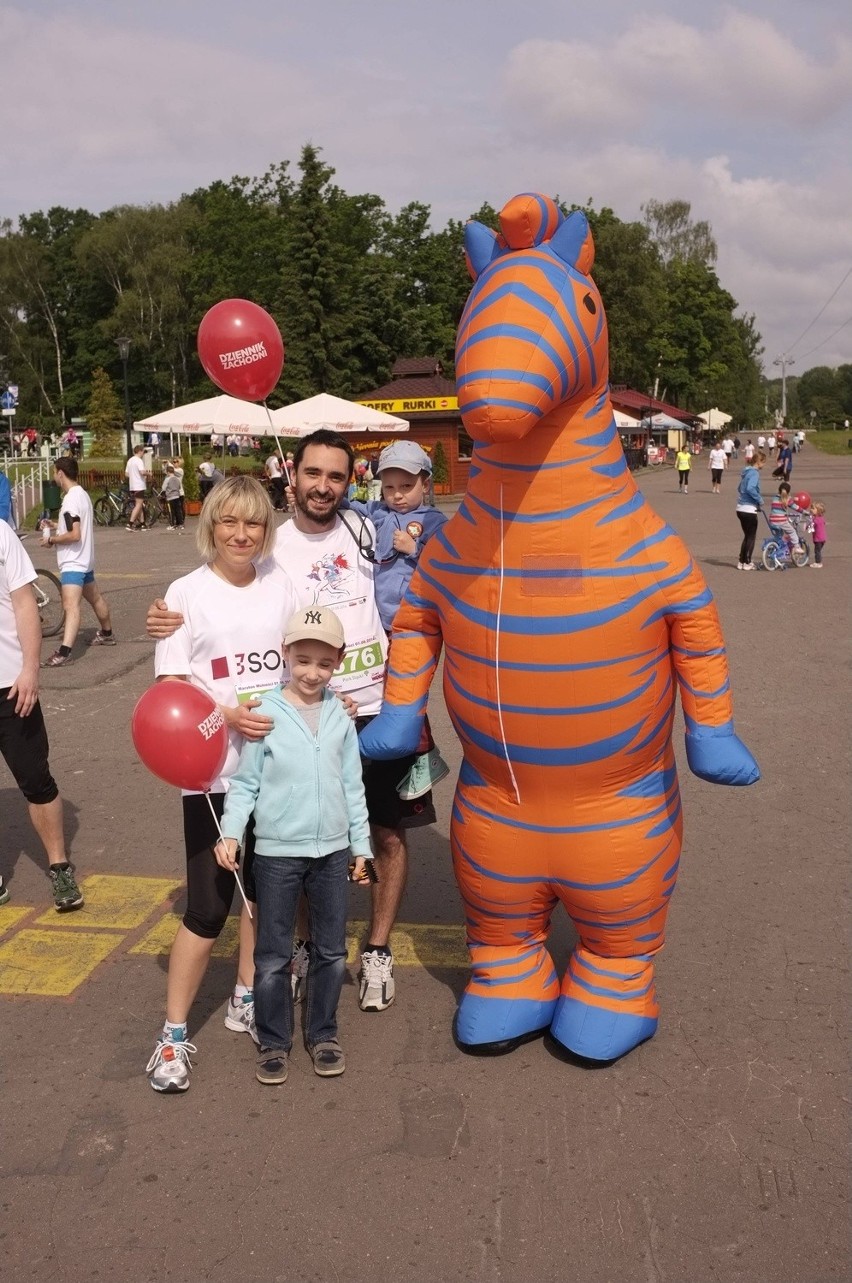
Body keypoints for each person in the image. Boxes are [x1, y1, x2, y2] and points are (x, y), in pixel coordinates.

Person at [147, 429, 436, 1015]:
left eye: (336, 476)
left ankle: (374, 950)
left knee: (383, 833)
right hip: (293, 722)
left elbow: (431, 568)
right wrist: (165, 615)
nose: (323, 486)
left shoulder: (368, 526)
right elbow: (224, 593)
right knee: (294, 849)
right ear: (292, 475)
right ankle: (293, 953)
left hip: (373, 705)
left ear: (350, 482)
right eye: (312, 474)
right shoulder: (272, 553)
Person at [145, 476, 299, 1093]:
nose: (242, 534)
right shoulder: (184, 594)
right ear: (211, 523)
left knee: (261, 895)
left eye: (254, 523)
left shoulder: (281, 584)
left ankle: (244, 997)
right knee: (208, 908)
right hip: (210, 777)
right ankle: (173, 1036)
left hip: (275, 771)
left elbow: (303, 660)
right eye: (230, 522)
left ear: (267, 530)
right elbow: (172, 687)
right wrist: (227, 714)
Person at [215, 605, 373, 1084]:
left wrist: (361, 848)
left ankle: (323, 1033)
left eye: (324, 664)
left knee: (331, 951)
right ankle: (273, 1040)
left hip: (332, 853)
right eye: (302, 659)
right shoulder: (265, 712)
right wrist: (229, 833)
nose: (312, 672)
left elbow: (353, 787)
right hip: (277, 853)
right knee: (272, 955)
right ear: (285, 654)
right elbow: (245, 785)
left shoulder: (340, 717)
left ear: (340, 661)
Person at [340, 439, 450, 800]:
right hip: (381, 624)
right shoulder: (378, 512)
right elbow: (349, 506)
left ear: (425, 483)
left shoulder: (433, 521)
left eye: (406, 486)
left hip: (414, 623)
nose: (398, 495)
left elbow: (449, 567)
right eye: (389, 487)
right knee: (393, 693)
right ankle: (416, 754)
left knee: (406, 694)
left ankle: (425, 756)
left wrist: (415, 549)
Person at [0, 521, 83, 911]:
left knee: (35, 780)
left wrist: (31, 668)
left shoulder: (0, 533)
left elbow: (23, 603)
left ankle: (59, 865)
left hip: (10, 685)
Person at [41, 456, 115, 667]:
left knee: (70, 606)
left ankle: (64, 653)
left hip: (73, 562)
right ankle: (107, 633)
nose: (54, 477)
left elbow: (74, 534)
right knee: (96, 599)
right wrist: (55, 524)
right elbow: (73, 524)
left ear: (60, 473)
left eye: (54, 472)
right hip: (85, 560)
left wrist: (51, 540)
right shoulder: (82, 495)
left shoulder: (70, 500)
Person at [735, 450, 765, 570]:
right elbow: (750, 488)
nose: (764, 465)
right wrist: (759, 499)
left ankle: (741, 561)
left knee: (747, 536)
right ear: (758, 462)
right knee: (751, 536)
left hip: (740, 508)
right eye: (763, 463)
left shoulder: (745, 472)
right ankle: (747, 562)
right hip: (749, 509)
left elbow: (739, 487)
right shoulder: (754, 473)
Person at [768, 482, 802, 561]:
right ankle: (797, 547)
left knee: (778, 536)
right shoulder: (787, 500)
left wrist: (792, 499)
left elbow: (783, 499)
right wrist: (804, 512)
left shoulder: (775, 497)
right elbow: (796, 507)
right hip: (781, 521)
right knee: (792, 531)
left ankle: (775, 548)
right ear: (788, 492)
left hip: (772, 521)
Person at [125, 444, 150, 531]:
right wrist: (148, 473)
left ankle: (143, 524)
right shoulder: (139, 460)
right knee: (139, 504)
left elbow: (127, 474)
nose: (143, 453)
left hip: (132, 485)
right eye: (143, 451)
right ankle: (130, 523)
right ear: (140, 451)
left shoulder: (130, 460)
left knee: (138, 505)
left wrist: (133, 475)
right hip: (139, 485)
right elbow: (142, 472)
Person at [159, 462, 185, 532]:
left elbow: (163, 488)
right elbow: (179, 487)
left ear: (167, 472)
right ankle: (181, 524)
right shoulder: (177, 479)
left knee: (171, 511)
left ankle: (172, 524)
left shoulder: (167, 479)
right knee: (178, 510)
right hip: (177, 496)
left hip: (170, 497)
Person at [810, 502, 827, 568]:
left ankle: (818, 563)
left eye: (813, 508)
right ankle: (818, 561)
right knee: (818, 551)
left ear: (818, 511)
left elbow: (811, 525)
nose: (811, 509)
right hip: (822, 538)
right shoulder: (821, 518)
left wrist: (807, 527)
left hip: (818, 539)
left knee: (817, 551)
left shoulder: (816, 520)